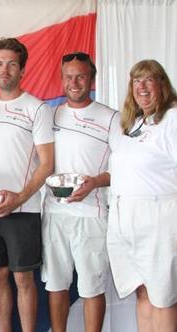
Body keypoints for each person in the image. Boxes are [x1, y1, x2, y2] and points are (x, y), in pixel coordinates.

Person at [0, 37, 54, 332]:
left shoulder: (37, 109)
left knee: (23, 279)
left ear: (22, 71)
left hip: (24, 209)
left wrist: (20, 198)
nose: (4, 70)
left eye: (11, 64)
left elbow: (47, 163)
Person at [40, 52, 121, 332]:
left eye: (81, 76)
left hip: (92, 216)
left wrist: (95, 182)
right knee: (56, 285)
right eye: (69, 76)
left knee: (91, 289)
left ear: (92, 79)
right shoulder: (49, 116)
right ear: (62, 79)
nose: (74, 82)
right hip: (54, 214)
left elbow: (123, 170)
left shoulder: (111, 118)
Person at [107, 59, 177, 331]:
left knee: (163, 297)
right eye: (137, 81)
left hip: (159, 216)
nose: (142, 87)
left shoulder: (172, 119)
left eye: (149, 80)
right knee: (143, 291)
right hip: (124, 217)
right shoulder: (132, 124)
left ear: (162, 84)